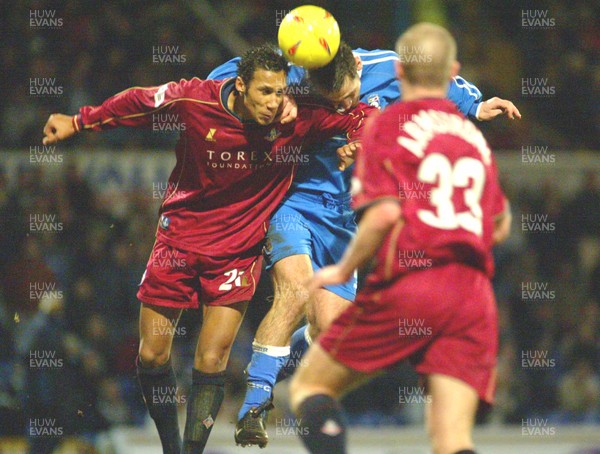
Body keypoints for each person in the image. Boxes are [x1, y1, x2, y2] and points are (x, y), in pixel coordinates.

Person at [41, 43, 374, 454]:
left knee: (212, 361)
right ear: (239, 85)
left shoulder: (298, 116)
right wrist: (79, 121)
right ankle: (171, 447)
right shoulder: (195, 99)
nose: (274, 103)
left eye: (281, 92)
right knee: (151, 355)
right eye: (265, 92)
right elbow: (138, 102)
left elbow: (362, 113)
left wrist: (357, 139)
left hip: (238, 251)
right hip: (179, 241)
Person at [207, 42, 520, 447]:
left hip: (342, 218)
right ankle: (256, 401)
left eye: (351, 97)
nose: (344, 107)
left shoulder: (388, 69)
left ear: (357, 66)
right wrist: (246, 100)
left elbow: (438, 81)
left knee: (329, 332)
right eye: (333, 102)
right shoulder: (292, 74)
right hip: (292, 202)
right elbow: (230, 81)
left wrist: (475, 105)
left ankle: (274, 357)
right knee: (297, 289)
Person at [289, 23, 512, 454]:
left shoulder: (387, 123)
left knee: (311, 387)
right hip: (474, 296)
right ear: (454, 71)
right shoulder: (472, 139)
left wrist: (344, 268)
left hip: (414, 281)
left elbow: (385, 212)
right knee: (451, 440)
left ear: (400, 70)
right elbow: (499, 225)